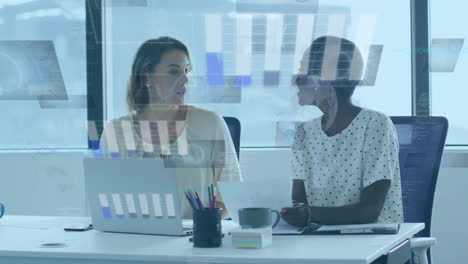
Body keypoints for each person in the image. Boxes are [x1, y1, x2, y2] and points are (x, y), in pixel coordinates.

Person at [99, 36, 242, 219]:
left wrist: (203, 223)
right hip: (135, 239)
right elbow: (105, 203)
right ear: (147, 77)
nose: (185, 79)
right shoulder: (116, 132)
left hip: (194, 241)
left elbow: (233, 198)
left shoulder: (210, 123)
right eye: (174, 72)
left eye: (186, 71)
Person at [280, 36, 403, 226]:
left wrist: (308, 214)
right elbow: (300, 204)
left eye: (303, 72)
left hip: (370, 244)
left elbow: (370, 211)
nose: (296, 79)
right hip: (318, 242)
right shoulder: (304, 134)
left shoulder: (375, 125)